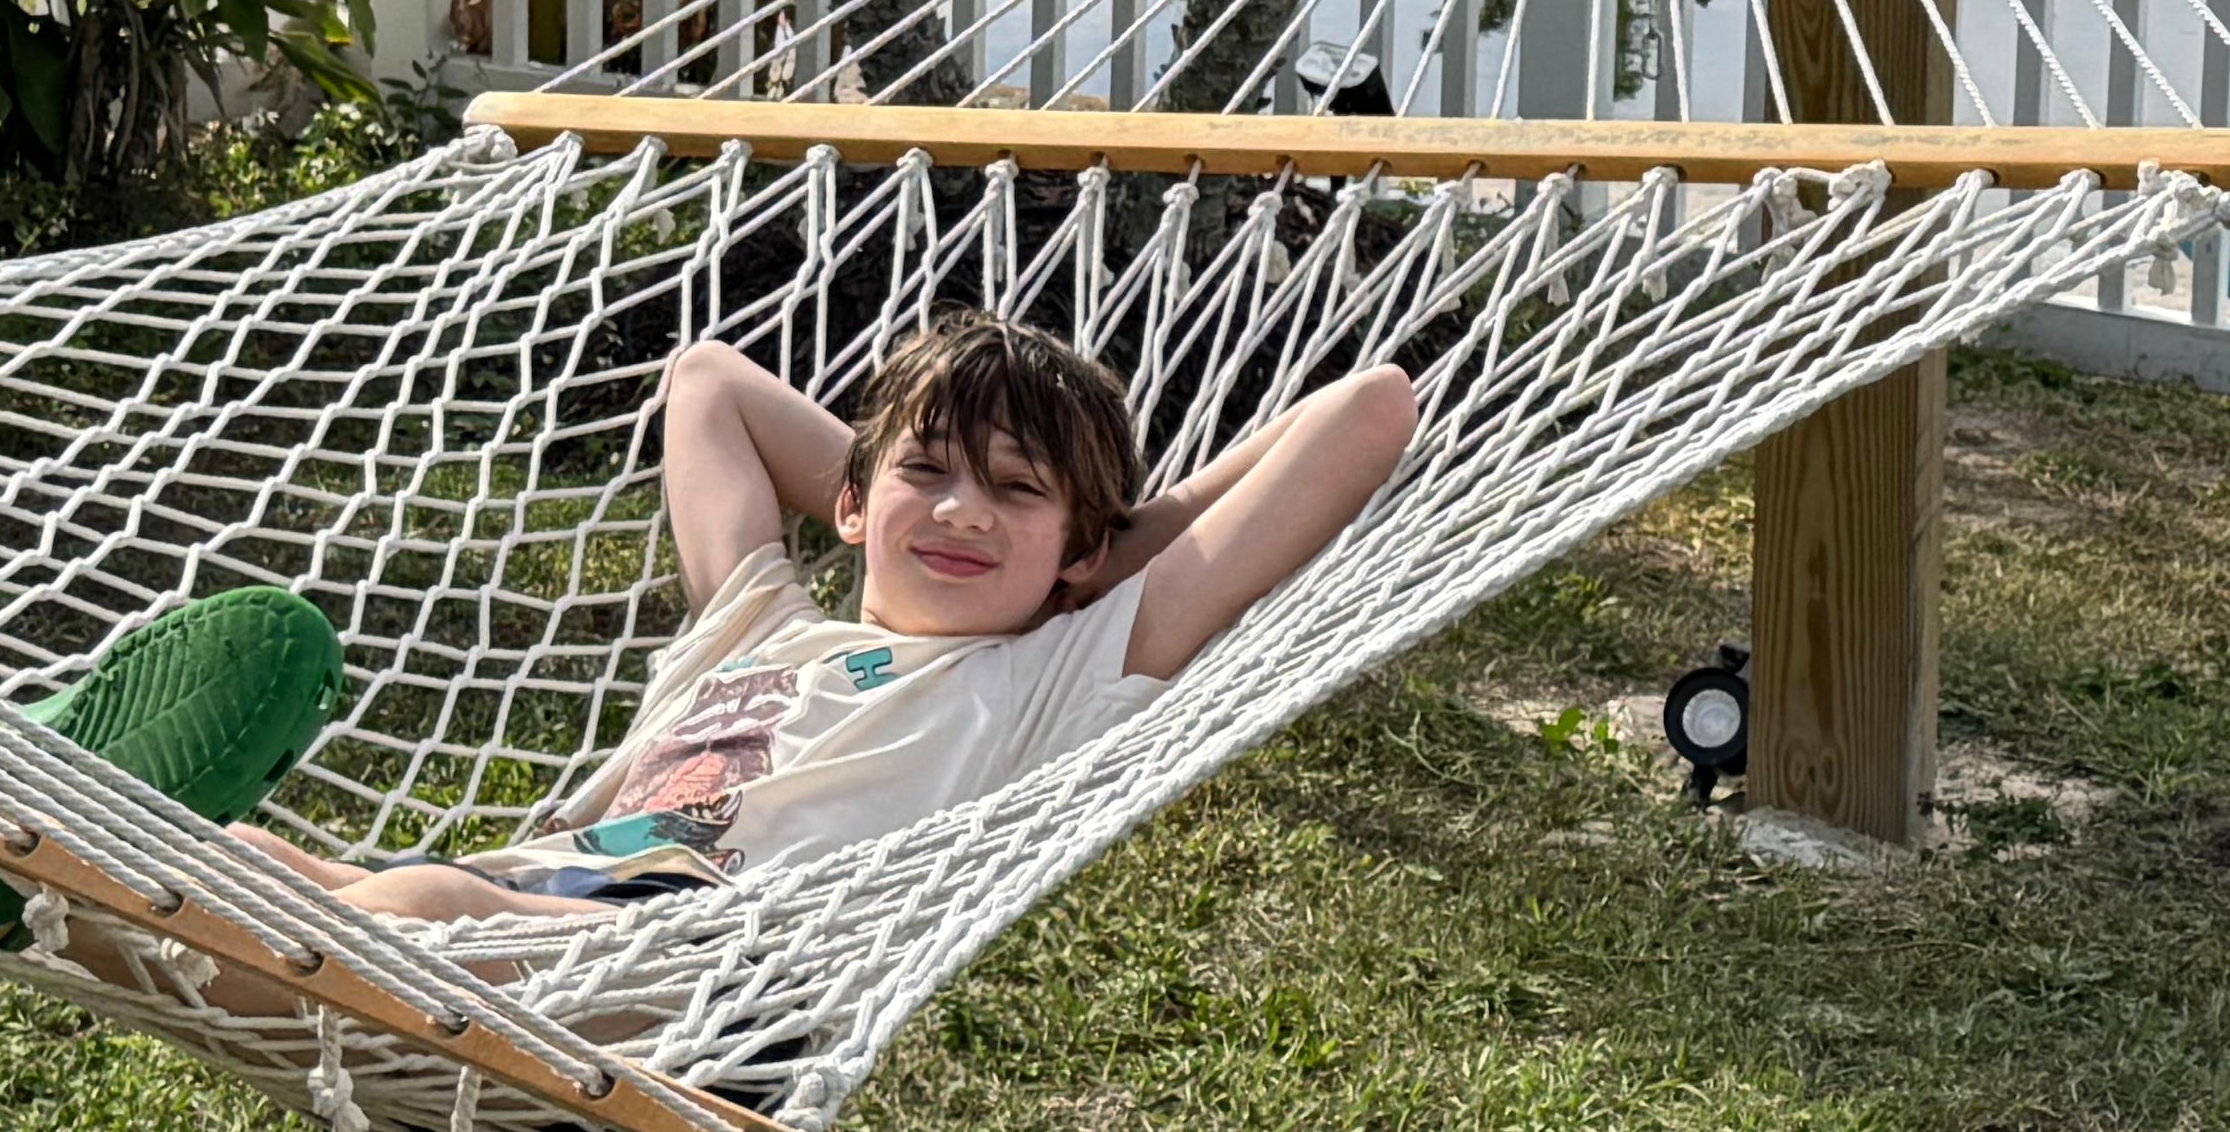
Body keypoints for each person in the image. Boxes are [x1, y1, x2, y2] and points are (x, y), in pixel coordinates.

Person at [233, 311, 1419, 931]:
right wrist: (996, 516)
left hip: (711, 960)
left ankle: (88, 882)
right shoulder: (755, 630)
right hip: (534, 888)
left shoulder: (1051, 676)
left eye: (1016, 492)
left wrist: (1103, 559)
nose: (962, 512)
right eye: (929, 474)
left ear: (1083, 552)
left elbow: (1368, 412)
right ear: (849, 499)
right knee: (241, 866)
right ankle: (61, 859)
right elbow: (707, 383)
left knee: (414, 908)